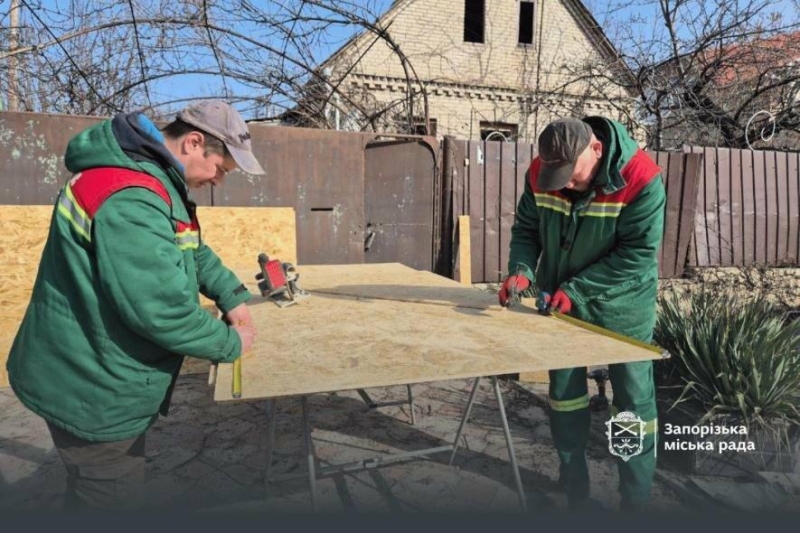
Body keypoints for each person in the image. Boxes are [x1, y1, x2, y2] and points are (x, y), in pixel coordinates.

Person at [6, 100, 264, 510]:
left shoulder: (152, 180)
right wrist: (232, 342)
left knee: (92, 492)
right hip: (92, 386)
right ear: (193, 143)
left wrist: (231, 295)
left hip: (89, 370)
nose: (218, 181)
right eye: (221, 168)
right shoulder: (131, 195)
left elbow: (190, 249)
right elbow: (160, 311)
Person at [498, 116, 665, 512]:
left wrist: (576, 290)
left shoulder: (641, 178)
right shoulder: (543, 171)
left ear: (596, 149)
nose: (565, 186)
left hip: (622, 305)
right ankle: (573, 485)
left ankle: (635, 497)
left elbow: (637, 255)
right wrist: (521, 272)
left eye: (571, 177)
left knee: (631, 405)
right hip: (560, 302)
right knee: (565, 398)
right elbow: (526, 229)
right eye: (557, 179)